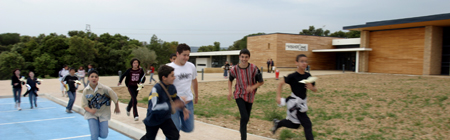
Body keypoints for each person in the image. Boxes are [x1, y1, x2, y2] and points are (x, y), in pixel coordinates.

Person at [272, 54, 317, 140]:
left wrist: (312, 88)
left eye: (306, 61)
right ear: (296, 63)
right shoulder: (292, 76)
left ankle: (278, 123)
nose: (304, 63)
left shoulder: (308, 76)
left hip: (302, 102)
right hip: (294, 103)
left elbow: (315, 89)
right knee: (307, 124)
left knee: (295, 125)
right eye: (302, 61)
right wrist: (278, 97)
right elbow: (280, 84)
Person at [141, 65, 190, 140]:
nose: (174, 77)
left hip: (165, 118)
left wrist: (184, 108)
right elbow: (153, 108)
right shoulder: (156, 89)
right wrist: (170, 106)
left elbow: (175, 98)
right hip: (153, 119)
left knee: (174, 136)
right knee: (149, 138)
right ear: (164, 78)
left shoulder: (172, 87)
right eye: (172, 76)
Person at [227, 48, 264, 140]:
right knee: (244, 116)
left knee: (246, 118)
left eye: (246, 57)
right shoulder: (234, 69)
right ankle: (244, 137)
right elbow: (230, 80)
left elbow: (261, 82)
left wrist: (252, 87)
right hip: (238, 94)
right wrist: (229, 91)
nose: (244, 59)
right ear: (239, 57)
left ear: (249, 58)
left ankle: (241, 129)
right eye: (242, 57)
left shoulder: (254, 68)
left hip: (250, 96)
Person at [168, 43, 198, 134]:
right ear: (177, 54)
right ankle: (173, 129)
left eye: (188, 55)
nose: (186, 57)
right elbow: (164, 86)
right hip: (174, 104)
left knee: (189, 128)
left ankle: (174, 127)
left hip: (188, 102)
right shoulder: (169, 67)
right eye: (184, 55)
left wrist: (196, 95)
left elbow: (194, 80)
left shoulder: (191, 66)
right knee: (173, 132)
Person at [82, 70, 120, 140]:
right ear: (88, 78)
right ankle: (95, 133)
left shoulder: (105, 89)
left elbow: (115, 97)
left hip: (104, 113)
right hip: (91, 114)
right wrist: (91, 111)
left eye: (96, 77)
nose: (94, 78)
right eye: (92, 77)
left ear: (98, 78)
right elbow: (84, 105)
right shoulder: (86, 90)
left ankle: (99, 131)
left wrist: (117, 107)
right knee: (94, 135)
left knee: (104, 135)